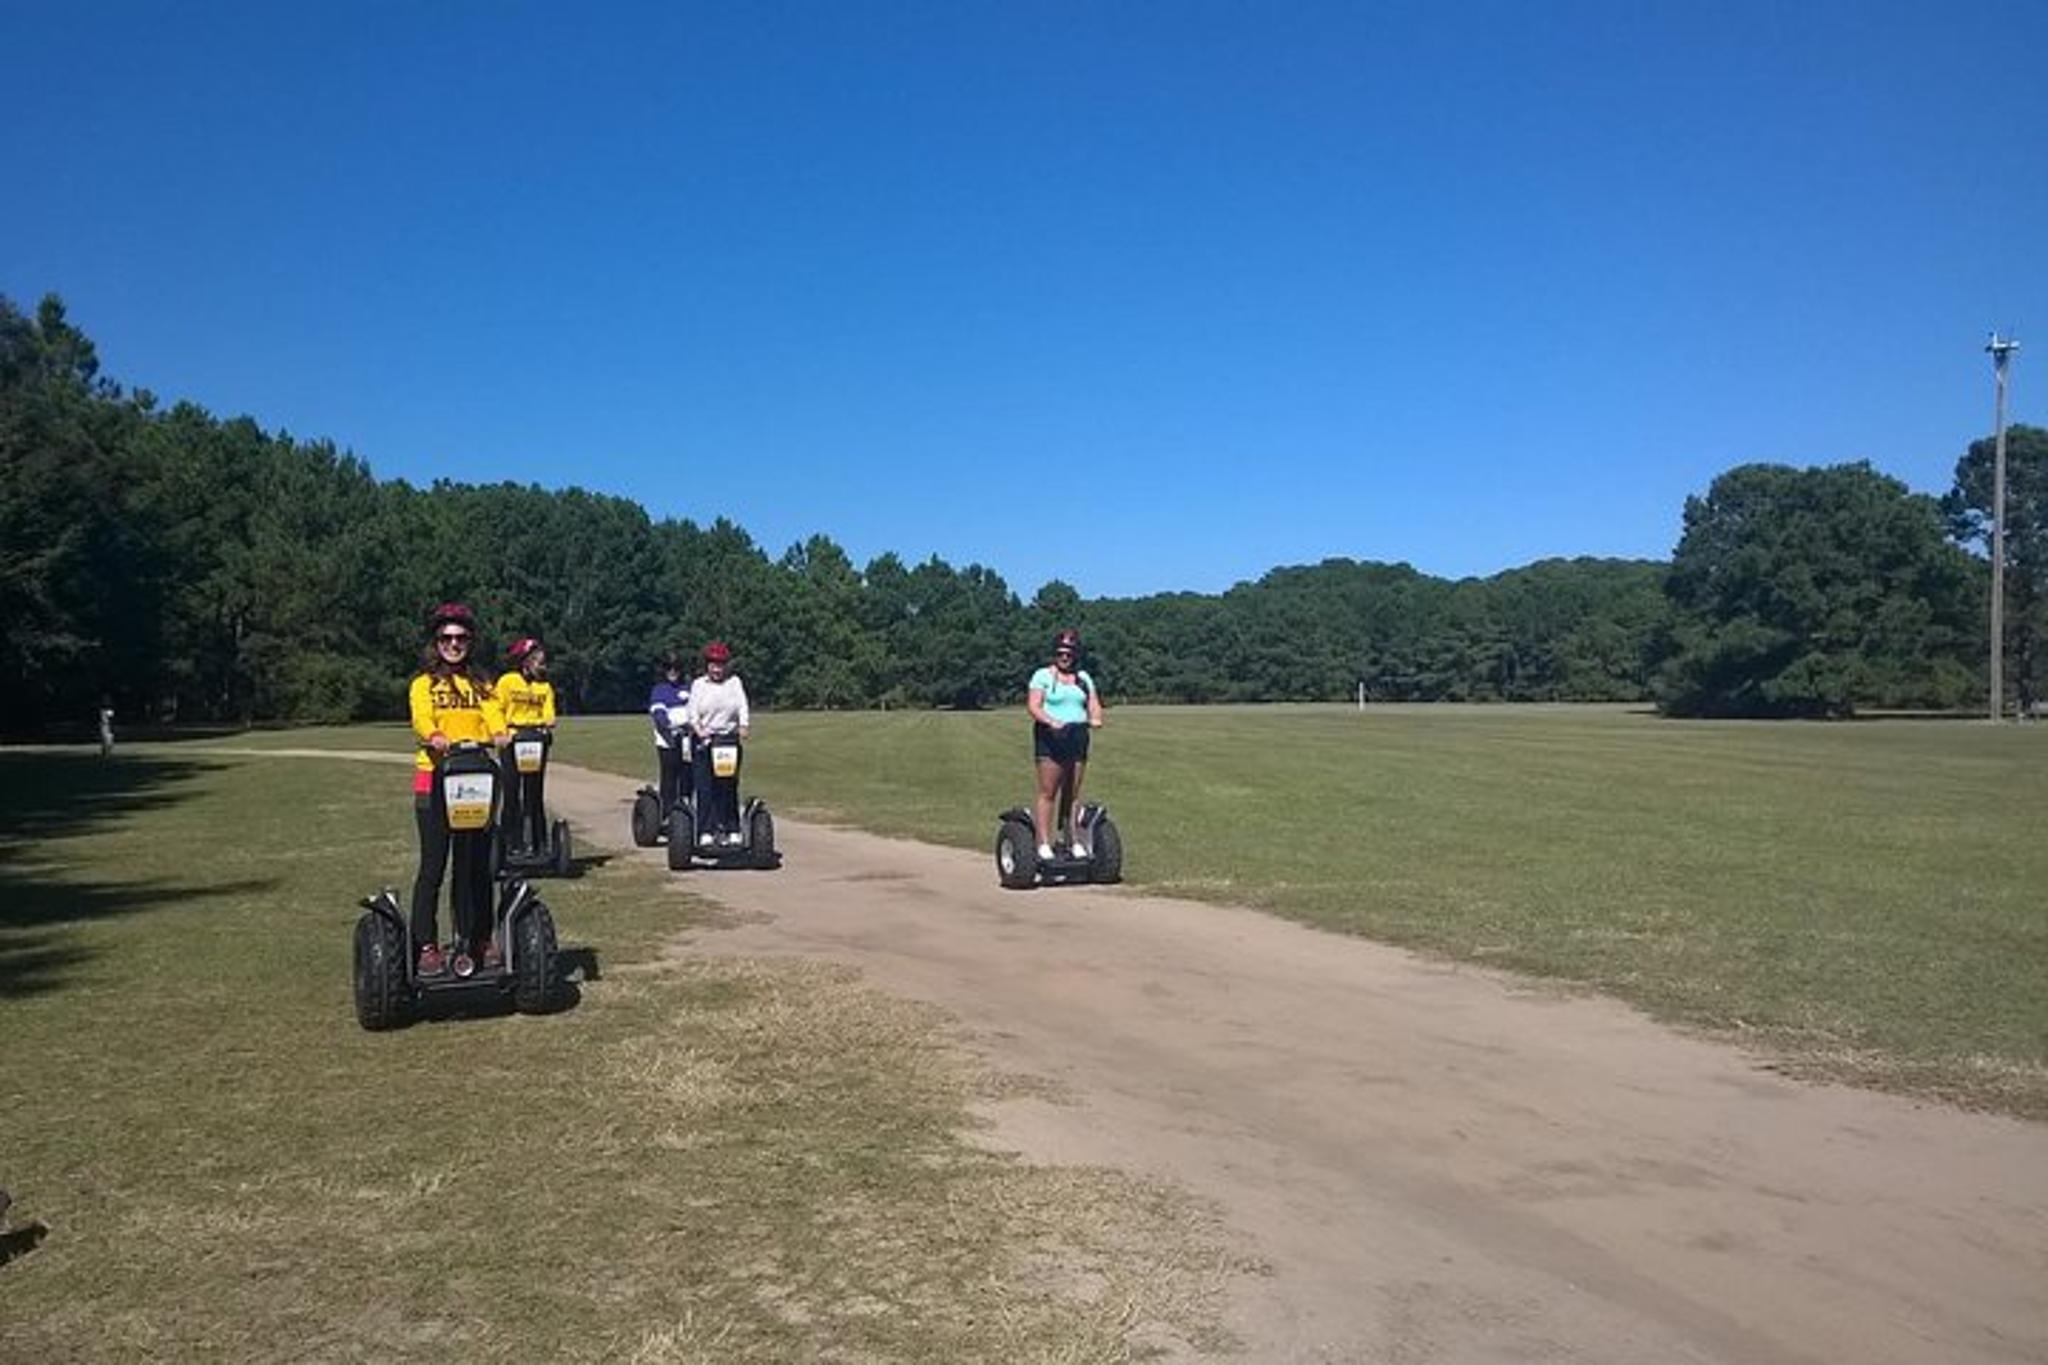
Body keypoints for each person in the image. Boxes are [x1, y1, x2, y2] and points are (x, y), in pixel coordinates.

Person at [407, 603, 508, 975]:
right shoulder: (423, 684)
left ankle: (478, 938)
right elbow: (421, 716)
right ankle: (427, 945)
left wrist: (500, 733)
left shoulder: (482, 684)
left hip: (476, 778)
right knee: (434, 865)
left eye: (461, 637)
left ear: (471, 641)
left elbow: (495, 715)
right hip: (433, 778)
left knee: (476, 866)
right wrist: (433, 735)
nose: (454, 644)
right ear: (436, 642)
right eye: (447, 638)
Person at [1026, 628, 1104, 861]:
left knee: (1072, 793)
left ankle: (1073, 840)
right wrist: (1051, 721)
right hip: (1051, 737)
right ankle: (1043, 843)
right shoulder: (1042, 676)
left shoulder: (1083, 678)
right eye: (1061, 652)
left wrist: (1096, 718)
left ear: (1075, 654)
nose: (1065, 657)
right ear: (1055, 653)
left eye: (1069, 653)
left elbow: (1094, 703)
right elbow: (1033, 706)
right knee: (1048, 792)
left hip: (1078, 736)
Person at [494, 636, 558, 854]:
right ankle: (510, 842)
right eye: (539, 661)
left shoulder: (544, 687)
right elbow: (497, 709)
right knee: (511, 792)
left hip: (535, 740)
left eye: (543, 662)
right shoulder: (507, 682)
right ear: (525, 661)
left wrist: (548, 723)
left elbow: (549, 713)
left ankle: (538, 843)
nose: (543, 666)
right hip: (512, 740)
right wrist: (502, 732)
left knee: (534, 793)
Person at [688, 641, 751, 847]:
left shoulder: (734, 683)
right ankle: (706, 830)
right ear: (707, 665)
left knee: (728, 785)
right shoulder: (699, 685)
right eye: (713, 664)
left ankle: (732, 828)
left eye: (720, 664)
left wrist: (744, 725)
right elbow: (692, 712)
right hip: (705, 742)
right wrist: (699, 729)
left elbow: (742, 705)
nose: (717, 668)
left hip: (728, 741)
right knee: (705, 787)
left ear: (726, 665)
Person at [647, 651, 693, 817]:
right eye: (669, 668)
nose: (672, 672)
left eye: (676, 668)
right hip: (668, 741)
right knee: (670, 777)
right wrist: (668, 725)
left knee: (689, 775)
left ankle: (688, 812)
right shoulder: (660, 690)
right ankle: (667, 814)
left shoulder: (689, 688)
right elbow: (658, 713)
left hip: (689, 740)